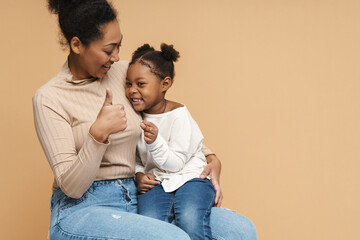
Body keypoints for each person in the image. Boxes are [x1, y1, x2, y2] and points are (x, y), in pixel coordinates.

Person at [33, 0, 257, 239]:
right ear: (77, 45)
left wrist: (211, 157)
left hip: (141, 194)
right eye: (108, 50)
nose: (116, 57)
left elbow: (162, 118)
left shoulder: (123, 74)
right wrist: (97, 135)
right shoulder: (50, 98)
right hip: (83, 208)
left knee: (240, 231)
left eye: (119, 47)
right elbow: (72, 188)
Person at [126, 43, 215, 240]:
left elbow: (175, 165)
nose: (132, 90)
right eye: (128, 84)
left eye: (140, 84)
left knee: (190, 220)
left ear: (165, 84)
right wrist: (139, 175)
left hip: (190, 177)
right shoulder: (134, 116)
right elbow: (135, 158)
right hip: (157, 181)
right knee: (150, 226)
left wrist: (156, 142)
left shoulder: (179, 115)